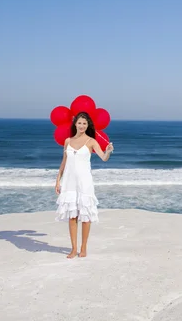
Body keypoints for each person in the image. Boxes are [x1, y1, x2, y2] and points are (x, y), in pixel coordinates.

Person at [55, 111, 114, 258]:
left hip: (84, 182)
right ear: (75, 124)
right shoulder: (67, 141)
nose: (81, 125)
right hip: (69, 182)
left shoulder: (92, 141)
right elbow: (64, 162)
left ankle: (83, 248)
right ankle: (73, 249)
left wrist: (108, 152)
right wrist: (58, 180)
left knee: (85, 216)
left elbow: (103, 158)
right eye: (79, 123)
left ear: (88, 125)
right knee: (72, 216)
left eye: (84, 123)